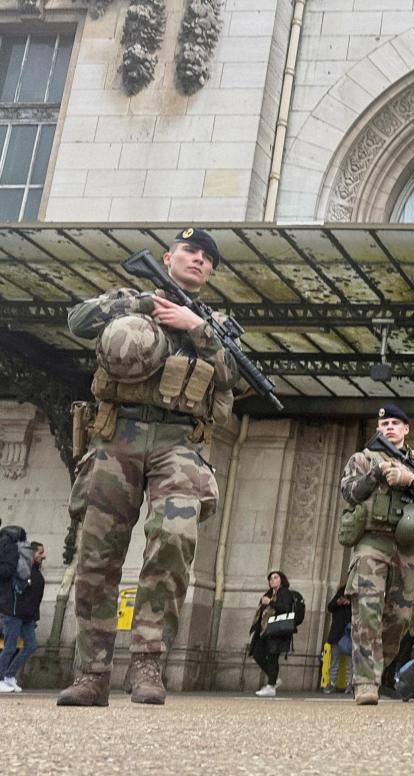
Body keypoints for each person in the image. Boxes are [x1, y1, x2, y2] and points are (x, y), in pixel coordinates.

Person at [58, 228, 239, 708]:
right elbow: (76, 320)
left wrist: (193, 325)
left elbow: (235, 374)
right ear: (168, 257)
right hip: (117, 435)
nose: (199, 260)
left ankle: (147, 663)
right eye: (190, 252)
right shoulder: (130, 297)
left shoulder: (214, 321)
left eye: (207, 258)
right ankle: (92, 673)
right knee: (97, 553)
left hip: (177, 442)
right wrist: (138, 305)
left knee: (175, 541)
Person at [339, 404, 414, 706]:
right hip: (372, 542)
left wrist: (411, 482)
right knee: (367, 610)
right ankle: (365, 683)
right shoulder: (363, 459)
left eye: (396, 423)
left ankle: (375, 672)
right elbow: (348, 493)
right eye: (385, 424)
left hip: (407, 547)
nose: (389, 428)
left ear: (406, 429)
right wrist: (376, 475)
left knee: (400, 617)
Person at [0, 541, 45, 692]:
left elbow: (35, 599)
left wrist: (34, 618)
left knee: (31, 645)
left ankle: (9, 675)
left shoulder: (35, 573)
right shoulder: (21, 571)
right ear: (31, 553)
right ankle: (0, 678)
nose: (42, 556)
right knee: (9, 647)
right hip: (14, 614)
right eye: (40, 553)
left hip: (27, 617)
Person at [249, 571, 295, 697]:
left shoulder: (284, 592)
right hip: (265, 630)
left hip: (277, 629)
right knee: (257, 653)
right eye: (270, 579)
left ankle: (271, 685)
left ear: (281, 580)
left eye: (275, 578)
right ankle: (273, 679)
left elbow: (285, 608)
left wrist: (270, 602)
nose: (272, 580)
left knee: (272, 657)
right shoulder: (270, 593)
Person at [323, 584, 352, 694]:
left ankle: (350, 684)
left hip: (349, 632)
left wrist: (350, 604)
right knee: (334, 660)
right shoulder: (341, 592)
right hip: (338, 632)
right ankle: (331, 683)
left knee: (351, 661)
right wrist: (339, 602)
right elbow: (330, 607)